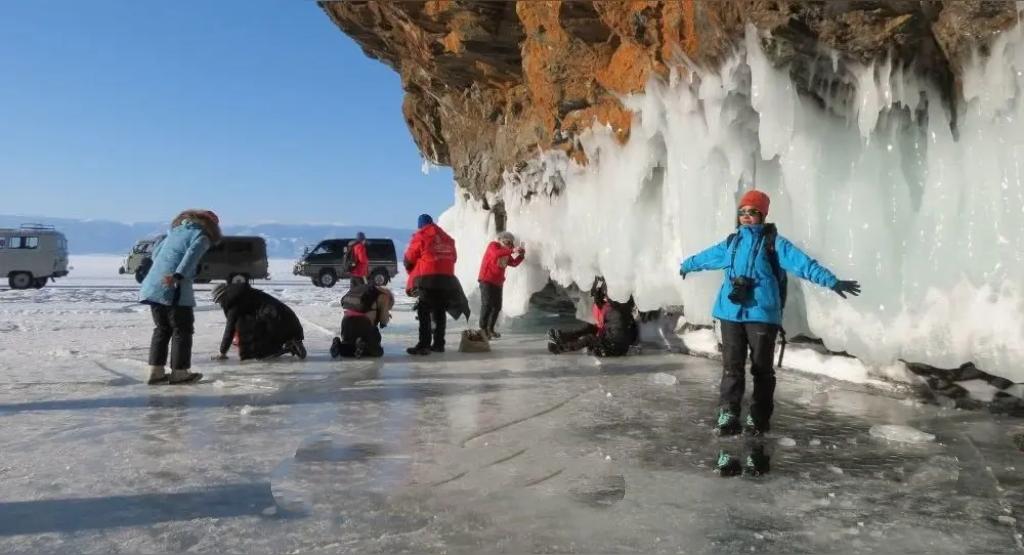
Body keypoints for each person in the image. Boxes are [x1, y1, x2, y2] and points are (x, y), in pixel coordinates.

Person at [679, 189, 861, 437]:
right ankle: (729, 413)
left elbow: (803, 264)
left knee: (762, 370)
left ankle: (758, 416)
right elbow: (707, 257)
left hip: (762, 314)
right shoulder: (731, 243)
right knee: (732, 368)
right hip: (729, 313)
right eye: (742, 212)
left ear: (763, 215)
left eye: (752, 212)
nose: (746, 216)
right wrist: (687, 265)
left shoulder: (775, 243)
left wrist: (832, 281)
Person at [139, 209, 221, 385]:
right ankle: (180, 372)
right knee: (182, 330)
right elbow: (191, 256)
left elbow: (155, 255)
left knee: (162, 329)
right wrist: (179, 275)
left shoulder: (174, 232)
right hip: (173, 288)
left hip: (153, 286)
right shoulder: (201, 236)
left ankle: (155, 372)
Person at [404, 213, 470, 355]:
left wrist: (413, 272)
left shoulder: (421, 236)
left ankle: (424, 344)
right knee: (440, 311)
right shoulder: (447, 238)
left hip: (428, 278)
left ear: (420, 225)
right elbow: (454, 258)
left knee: (424, 311)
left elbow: (409, 258)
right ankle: (439, 344)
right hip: (447, 279)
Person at [211, 283, 306, 361]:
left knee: (258, 353)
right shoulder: (249, 293)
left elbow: (230, 329)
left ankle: (288, 347)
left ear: (223, 296)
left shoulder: (234, 303)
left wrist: (222, 352)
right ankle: (291, 341)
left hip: (276, 323)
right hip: (290, 320)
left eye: (219, 301)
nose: (220, 304)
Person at [547, 276, 638, 357]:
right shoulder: (612, 309)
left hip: (613, 346)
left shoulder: (613, 310)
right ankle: (562, 337)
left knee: (589, 337)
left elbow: (618, 331)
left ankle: (561, 347)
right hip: (613, 340)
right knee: (590, 329)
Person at [477, 231, 525, 339]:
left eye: (511, 242)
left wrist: (521, 256)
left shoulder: (505, 252)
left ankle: (490, 329)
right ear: (502, 240)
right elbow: (495, 254)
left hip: (498, 283)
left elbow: (513, 263)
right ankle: (482, 329)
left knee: (497, 307)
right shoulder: (493, 245)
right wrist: (512, 250)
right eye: (508, 242)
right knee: (487, 304)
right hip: (486, 280)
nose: (510, 244)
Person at [330, 284, 394, 358]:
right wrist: (384, 318)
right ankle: (364, 344)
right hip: (364, 324)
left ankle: (339, 345)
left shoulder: (359, 290)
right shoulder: (384, 296)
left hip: (346, 324)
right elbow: (384, 320)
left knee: (348, 350)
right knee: (378, 351)